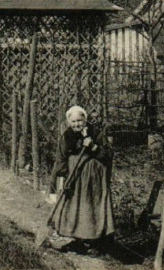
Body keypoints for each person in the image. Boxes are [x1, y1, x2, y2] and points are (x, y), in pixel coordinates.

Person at [48, 105, 115, 247]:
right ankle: (72, 236)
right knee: (73, 205)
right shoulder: (66, 137)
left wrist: (93, 147)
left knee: (90, 206)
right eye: (73, 121)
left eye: (79, 120)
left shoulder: (96, 134)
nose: (77, 124)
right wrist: (61, 179)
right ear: (69, 122)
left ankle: (93, 238)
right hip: (74, 177)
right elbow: (61, 159)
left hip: (94, 180)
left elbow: (108, 155)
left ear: (85, 120)